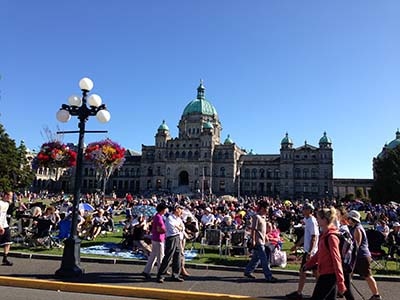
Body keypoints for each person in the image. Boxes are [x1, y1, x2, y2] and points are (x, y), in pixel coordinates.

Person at [303, 207, 346, 300]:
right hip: (325, 273)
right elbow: (320, 253)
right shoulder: (325, 235)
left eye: (318, 218)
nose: (316, 220)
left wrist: (341, 282)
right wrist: (308, 264)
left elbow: (336, 259)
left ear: (324, 220)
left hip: (329, 275)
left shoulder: (331, 237)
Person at [286, 203, 319, 300]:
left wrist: (310, 252)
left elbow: (314, 236)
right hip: (309, 251)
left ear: (309, 210)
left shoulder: (312, 221)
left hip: (310, 251)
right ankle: (322, 291)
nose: (303, 210)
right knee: (315, 273)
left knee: (303, 271)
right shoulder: (307, 220)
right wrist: (296, 246)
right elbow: (305, 236)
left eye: (305, 209)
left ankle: (299, 293)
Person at [348, 210, 382, 300]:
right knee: (348, 274)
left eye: (349, 218)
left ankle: (376, 295)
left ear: (353, 219)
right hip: (358, 256)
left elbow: (357, 244)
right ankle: (344, 292)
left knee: (367, 276)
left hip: (361, 256)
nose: (348, 220)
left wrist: (351, 255)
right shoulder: (353, 227)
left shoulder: (357, 229)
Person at [243, 200, 278, 283]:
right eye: (267, 208)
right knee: (264, 260)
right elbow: (254, 230)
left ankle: (248, 271)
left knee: (256, 258)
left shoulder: (263, 217)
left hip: (262, 240)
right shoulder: (256, 217)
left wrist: (265, 236)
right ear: (262, 208)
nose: (268, 210)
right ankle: (268, 276)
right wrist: (253, 241)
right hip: (258, 242)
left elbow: (261, 230)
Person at [156, 205, 185, 283]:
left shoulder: (178, 219)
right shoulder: (170, 218)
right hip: (171, 238)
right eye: (180, 209)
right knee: (168, 257)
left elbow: (182, 228)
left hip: (178, 237)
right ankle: (161, 275)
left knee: (177, 256)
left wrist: (179, 227)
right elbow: (173, 229)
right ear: (176, 210)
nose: (181, 211)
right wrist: (179, 228)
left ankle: (175, 275)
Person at [142, 203, 168, 279]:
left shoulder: (157, 216)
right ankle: (160, 273)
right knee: (160, 256)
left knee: (153, 256)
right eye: (165, 209)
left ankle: (146, 271)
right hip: (159, 238)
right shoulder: (159, 218)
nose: (166, 210)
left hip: (155, 238)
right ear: (162, 210)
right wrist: (166, 230)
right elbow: (159, 229)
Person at [0, 192, 14, 266]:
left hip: (5, 225)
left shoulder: (7, 204)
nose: (11, 197)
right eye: (10, 196)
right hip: (0, 226)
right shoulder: (0, 203)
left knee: (8, 242)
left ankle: (5, 258)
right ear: (6, 195)